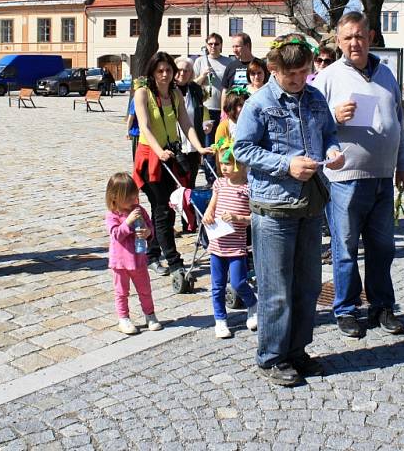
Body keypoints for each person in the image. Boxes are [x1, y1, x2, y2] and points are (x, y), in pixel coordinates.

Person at [234, 33, 344, 387]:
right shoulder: (259, 104)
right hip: (274, 207)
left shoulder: (314, 98)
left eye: (303, 72)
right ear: (272, 69)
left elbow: (329, 133)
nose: (298, 79)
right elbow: (242, 150)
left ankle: (297, 350)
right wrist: (286, 164)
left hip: (310, 204)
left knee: (308, 285)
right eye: (290, 74)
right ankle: (271, 357)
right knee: (276, 289)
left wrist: (333, 151)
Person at [313, 11, 404, 338]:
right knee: (345, 247)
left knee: (383, 247)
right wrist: (333, 117)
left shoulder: (386, 75)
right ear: (338, 41)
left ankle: (382, 307)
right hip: (345, 178)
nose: (355, 42)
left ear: (370, 37)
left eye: (360, 36)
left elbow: (399, 124)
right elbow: (312, 127)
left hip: (383, 176)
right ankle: (346, 308)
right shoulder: (328, 77)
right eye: (348, 37)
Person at [134, 52, 211, 276]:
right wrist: (159, 151)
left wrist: (199, 147)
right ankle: (174, 261)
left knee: (165, 208)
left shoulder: (175, 92)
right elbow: (145, 126)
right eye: (161, 71)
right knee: (162, 210)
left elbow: (186, 124)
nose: (165, 75)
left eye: (168, 70)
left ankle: (152, 254)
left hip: (170, 155)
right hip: (151, 157)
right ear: (153, 72)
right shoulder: (142, 93)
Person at [202, 139, 258, 339]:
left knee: (238, 282)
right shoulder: (219, 183)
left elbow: (255, 218)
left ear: (242, 165)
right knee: (217, 286)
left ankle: (253, 304)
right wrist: (207, 214)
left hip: (236, 247)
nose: (223, 168)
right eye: (221, 163)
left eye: (228, 164)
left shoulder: (248, 188)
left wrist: (237, 218)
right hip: (217, 244)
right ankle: (220, 319)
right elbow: (212, 205)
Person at [105, 172, 163, 335]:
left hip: (138, 259)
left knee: (145, 289)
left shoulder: (139, 210)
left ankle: (150, 315)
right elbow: (116, 235)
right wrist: (128, 222)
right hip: (120, 262)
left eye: (134, 196)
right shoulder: (112, 215)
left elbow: (150, 227)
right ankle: (123, 318)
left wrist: (147, 233)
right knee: (121, 292)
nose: (133, 201)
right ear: (115, 197)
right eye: (128, 198)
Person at [175, 57, 211, 188]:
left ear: (191, 73)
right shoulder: (167, 90)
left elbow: (200, 111)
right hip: (174, 145)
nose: (183, 73)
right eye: (179, 70)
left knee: (190, 183)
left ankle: (188, 207)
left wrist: (205, 124)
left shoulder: (195, 89)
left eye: (187, 70)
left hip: (193, 144)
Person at [194, 33, 232, 143]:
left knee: (222, 142)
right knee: (208, 143)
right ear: (206, 45)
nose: (213, 46)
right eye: (210, 44)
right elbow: (193, 85)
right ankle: (208, 161)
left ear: (221, 45)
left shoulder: (228, 62)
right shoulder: (200, 61)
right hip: (206, 109)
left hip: (224, 109)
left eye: (216, 44)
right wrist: (203, 76)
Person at [221, 32, 265, 103]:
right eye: (233, 47)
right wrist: (223, 112)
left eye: (237, 46)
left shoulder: (260, 65)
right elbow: (225, 90)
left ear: (247, 46)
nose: (234, 50)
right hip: (233, 110)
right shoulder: (231, 66)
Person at [125, 79, 142, 160]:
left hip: (139, 133)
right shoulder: (135, 100)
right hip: (137, 132)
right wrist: (127, 131)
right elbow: (131, 118)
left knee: (138, 158)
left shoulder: (135, 100)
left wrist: (127, 132)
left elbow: (130, 118)